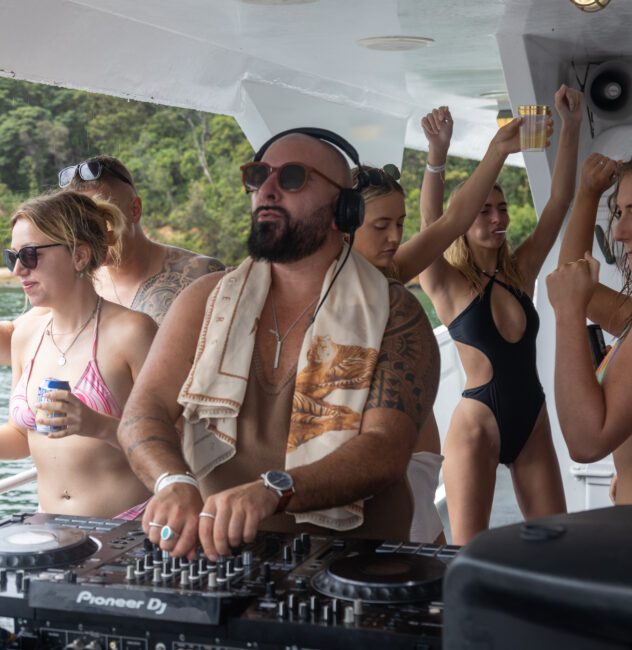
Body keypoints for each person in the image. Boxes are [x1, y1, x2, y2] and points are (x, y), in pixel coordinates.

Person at [117, 128, 438, 558]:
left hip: (355, 566)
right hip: (221, 557)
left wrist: (274, 490)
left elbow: (384, 451)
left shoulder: (396, 314)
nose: (266, 190)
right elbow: (144, 412)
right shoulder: (205, 301)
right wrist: (173, 481)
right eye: (257, 176)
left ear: (343, 207)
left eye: (290, 178)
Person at [349, 112, 530, 542]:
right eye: (381, 226)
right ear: (343, 223)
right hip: (378, 464)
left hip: (419, 461)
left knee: (438, 575)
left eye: (399, 224)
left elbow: (449, 223)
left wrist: (495, 153)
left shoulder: (391, 271)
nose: (395, 236)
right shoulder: (322, 290)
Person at [419, 85, 583, 544]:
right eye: (483, 211)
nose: (497, 218)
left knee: (556, 543)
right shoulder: (448, 284)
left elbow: (559, 203)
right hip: (478, 424)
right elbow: (431, 225)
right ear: (465, 221)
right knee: (470, 552)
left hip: (531, 418)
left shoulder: (521, 272)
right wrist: (437, 157)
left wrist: (569, 128)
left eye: (502, 208)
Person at [2, 191, 157, 517]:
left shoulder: (133, 332)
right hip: (50, 533)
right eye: (11, 256)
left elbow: (174, 439)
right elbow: (22, 435)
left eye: (29, 255)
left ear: (79, 256)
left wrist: (96, 424)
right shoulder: (26, 337)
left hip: (129, 530)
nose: (17, 270)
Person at [0, 155, 224, 365]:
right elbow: (15, 338)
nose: (86, 234)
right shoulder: (78, 281)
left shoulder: (201, 274)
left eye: (98, 217)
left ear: (134, 210)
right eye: (78, 223)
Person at [548, 151, 632, 503]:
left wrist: (567, 316)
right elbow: (574, 279)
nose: (619, 232)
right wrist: (588, 194)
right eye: (619, 213)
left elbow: (586, 441)